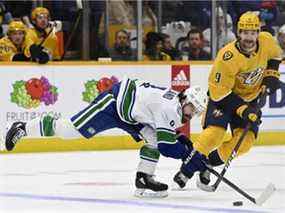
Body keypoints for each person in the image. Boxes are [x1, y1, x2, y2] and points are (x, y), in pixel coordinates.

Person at [4, 77, 207, 198]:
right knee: (70, 130)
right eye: (191, 108)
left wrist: (187, 150)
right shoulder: (170, 108)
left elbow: (167, 138)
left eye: (195, 112)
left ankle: (144, 177)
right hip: (114, 103)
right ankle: (23, 127)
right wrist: (189, 156)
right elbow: (167, 147)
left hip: (133, 114)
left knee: (153, 138)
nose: (191, 114)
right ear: (185, 98)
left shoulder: (177, 107)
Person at [173, 11, 283, 189]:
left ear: (258, 32)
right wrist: (244, 110)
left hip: (250, 99)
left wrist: (271, 76)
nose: (249, 37)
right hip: (223, 99)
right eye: (245, 33)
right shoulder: (227, 56)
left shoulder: (266, 40)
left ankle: (207, 164)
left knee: (245, 142)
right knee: (214, 134)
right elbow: (219, 92)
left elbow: (275, 56)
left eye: (253, 32)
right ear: (239, 33)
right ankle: (186, 171)